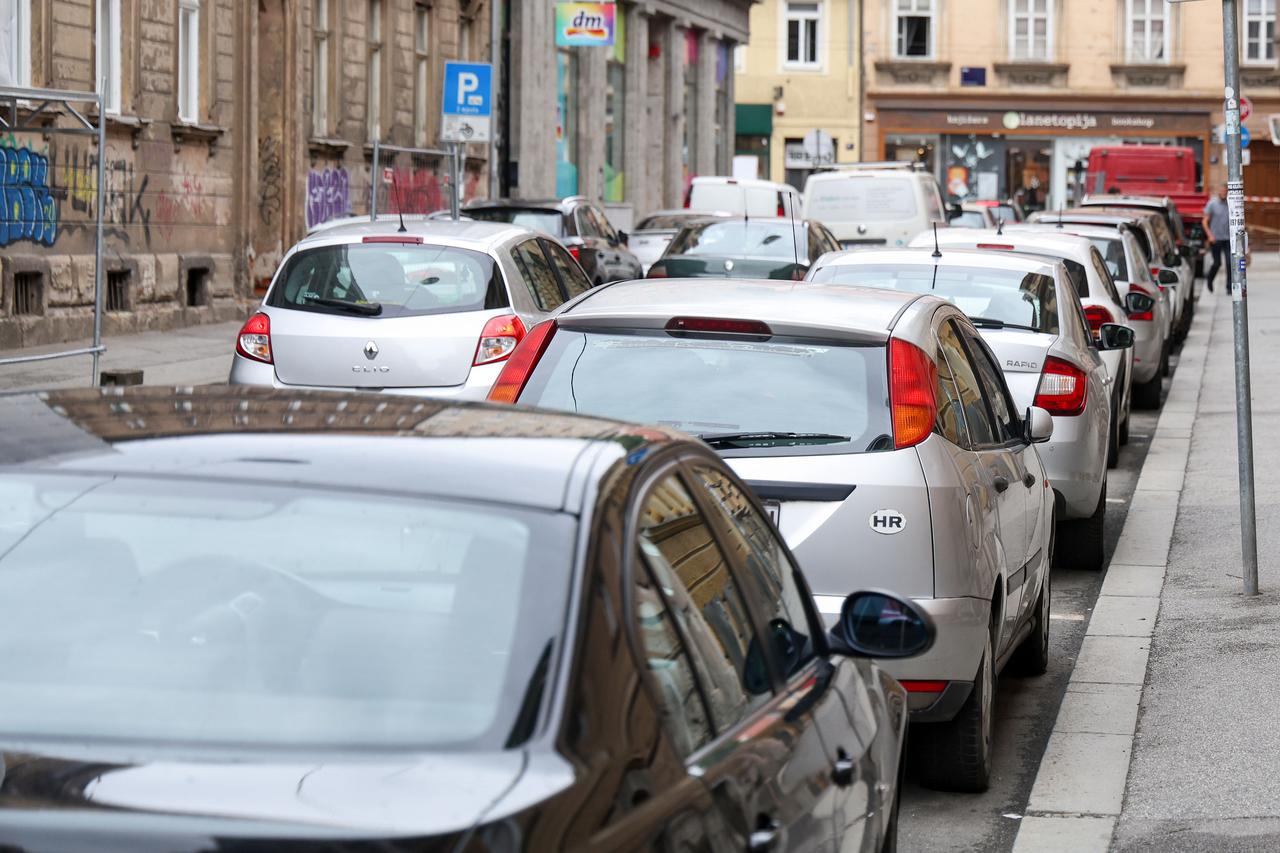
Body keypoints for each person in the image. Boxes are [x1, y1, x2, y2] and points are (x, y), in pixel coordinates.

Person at [1203, 184, 1230, 294]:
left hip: (1228, 238)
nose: (1224, 193)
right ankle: (1210, 280)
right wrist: (1210, 235)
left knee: (1229, 263)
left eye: (1225, 191)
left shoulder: (1230, 204)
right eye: (1222, 191)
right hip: (1216, 239)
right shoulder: (1212, 204)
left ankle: (1229, 287)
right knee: (1217, 263)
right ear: (1219, 191)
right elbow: (1204, 221)